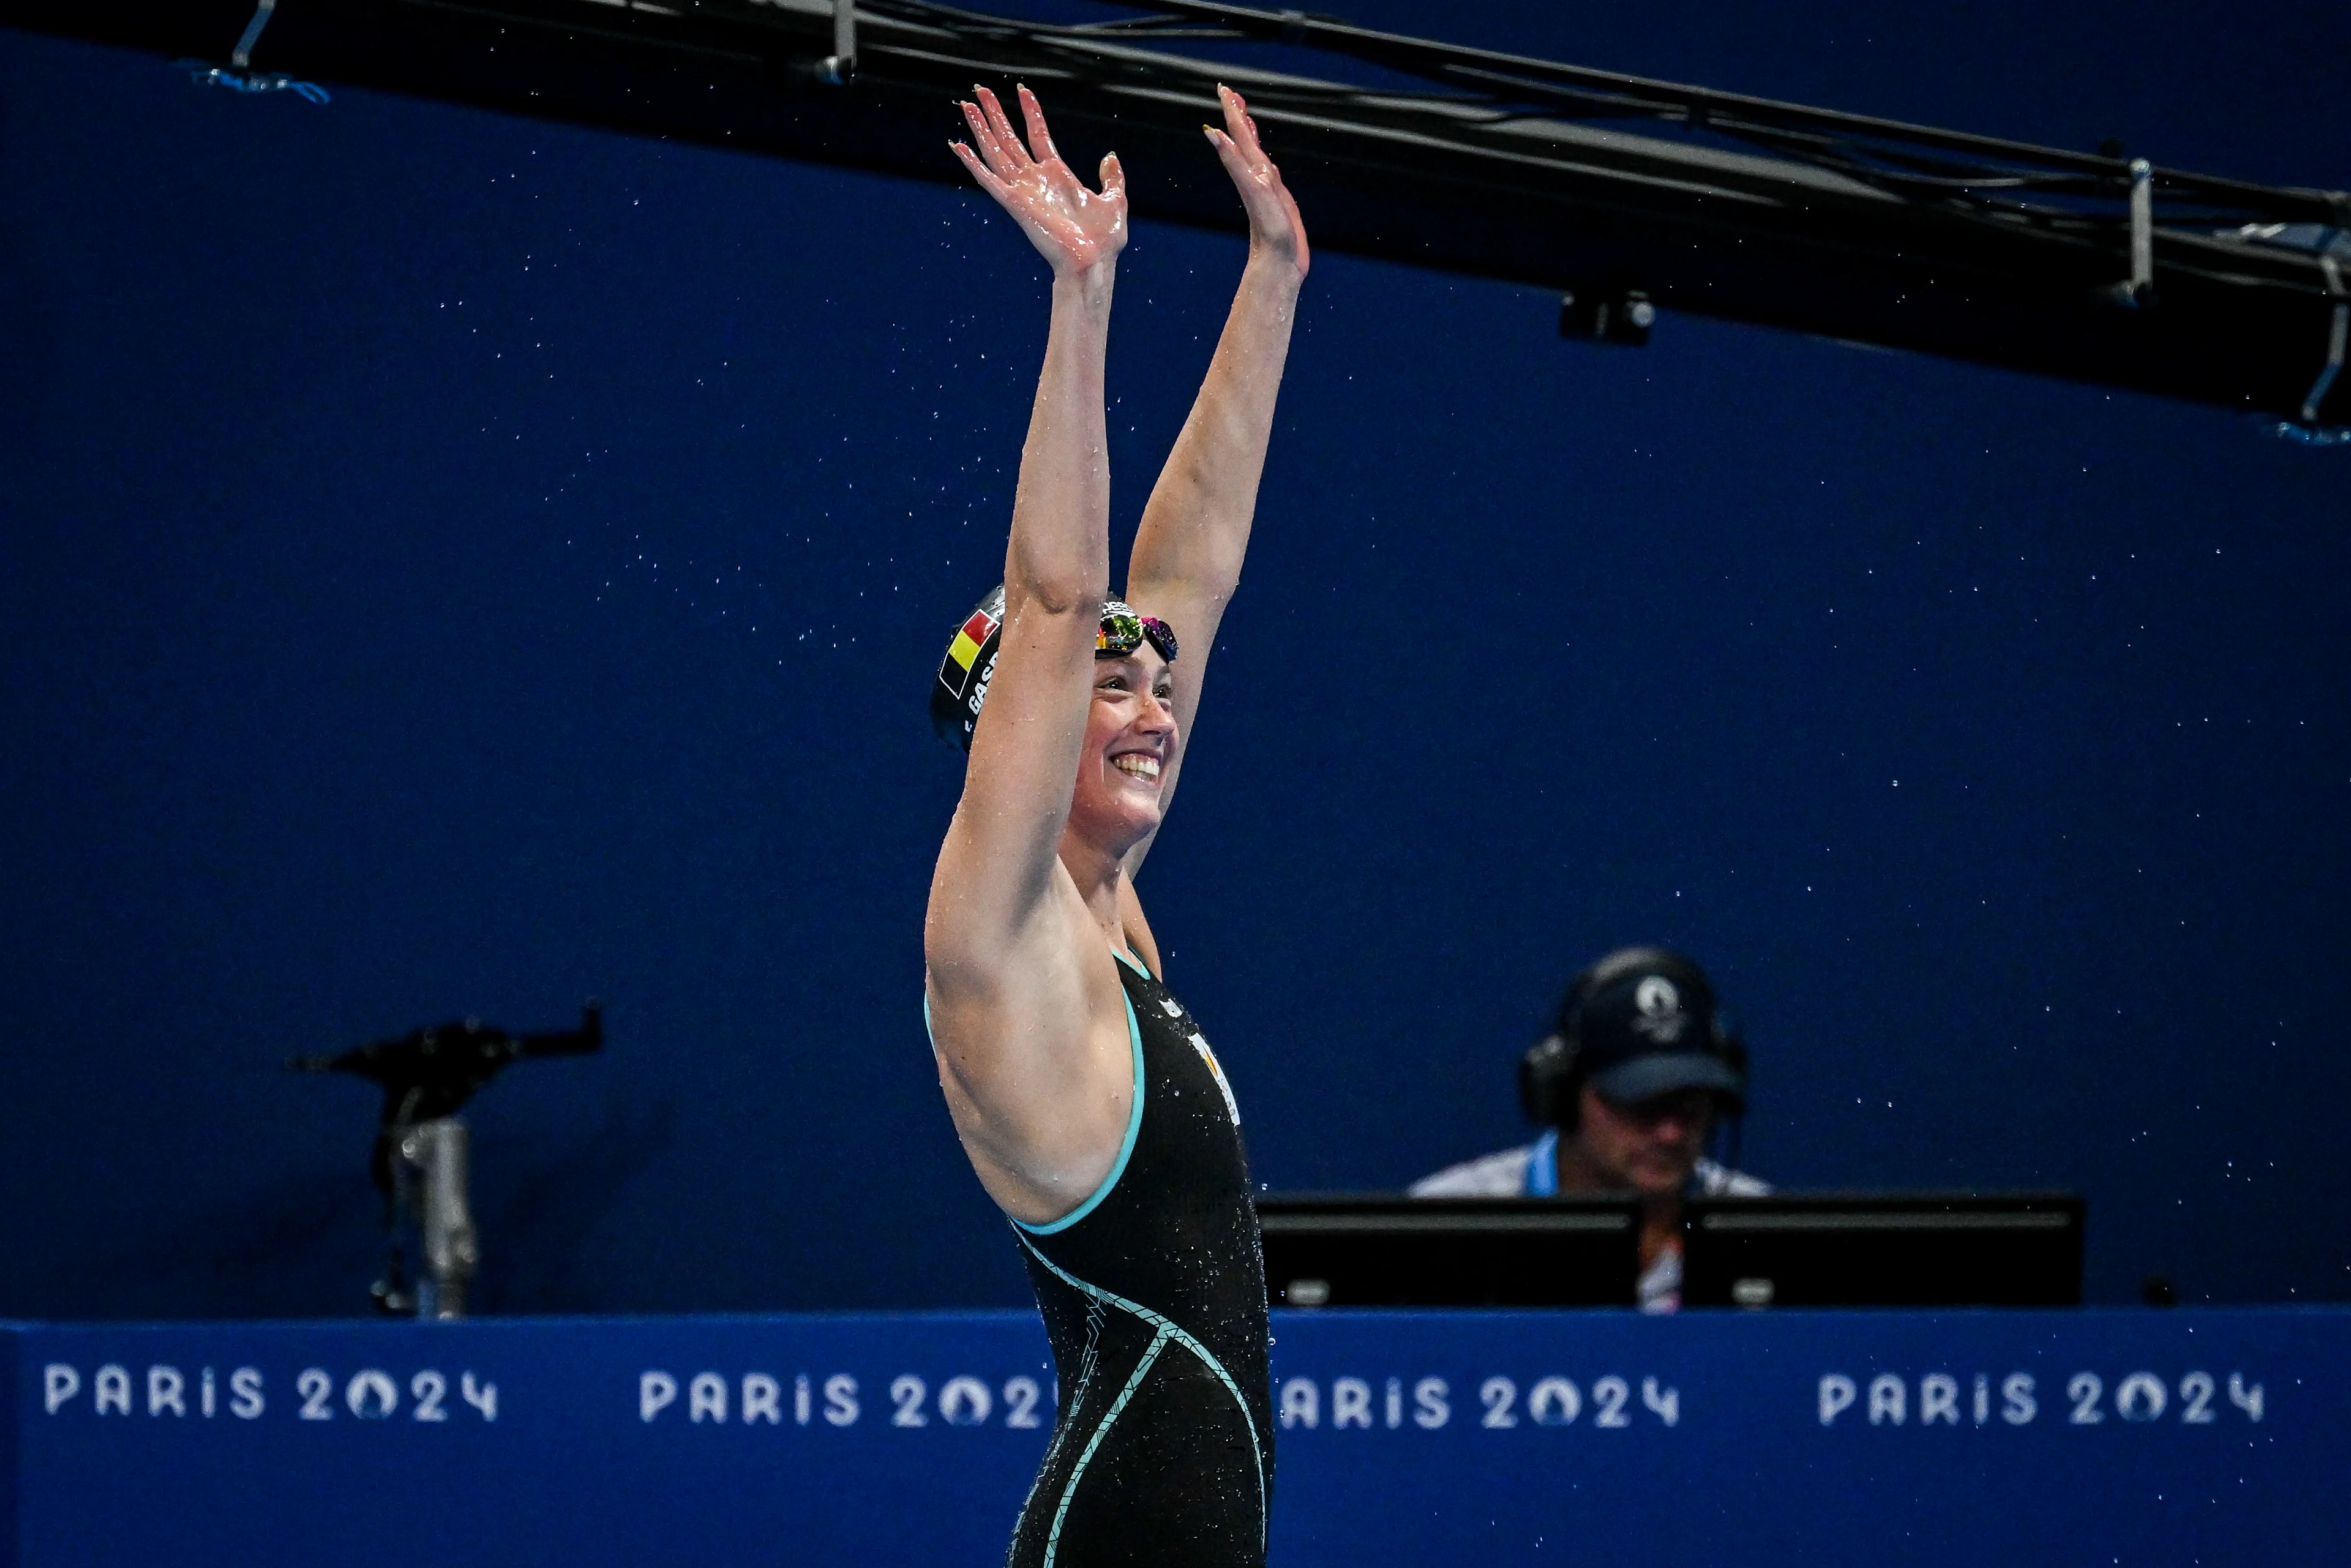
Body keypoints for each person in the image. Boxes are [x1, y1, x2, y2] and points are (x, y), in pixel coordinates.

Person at [923, 82, 1308, 1568]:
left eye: (1159, 685)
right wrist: (1081, 301)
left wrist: (1270, 276)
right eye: (1111, 684)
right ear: (1010, 726)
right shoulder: (996, 931)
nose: (1156, 703)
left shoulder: (1106, 913)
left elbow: (1184, 568)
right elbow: (1061, 595)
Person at [1412, 947, 1768, 1312]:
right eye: (1640, 1104)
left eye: (1691, 1105)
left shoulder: (1762, 1231)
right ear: (1564, 1096)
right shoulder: (1445, 1223)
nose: (1671, 1134)